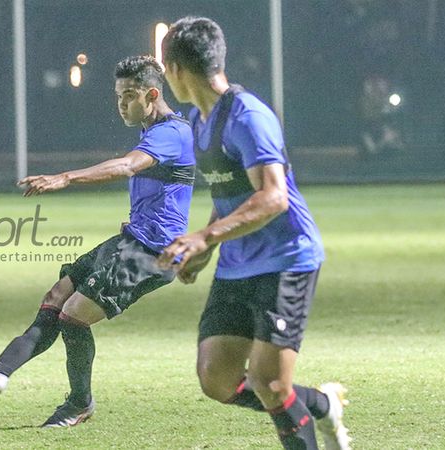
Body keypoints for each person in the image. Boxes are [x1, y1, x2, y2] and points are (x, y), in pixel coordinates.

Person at [0, 55, 195, 427]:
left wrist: (66, 178)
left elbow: (126, 166)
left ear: (152, 94)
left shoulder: (171, 133)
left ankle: (79, 404)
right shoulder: (155, 131)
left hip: (152, 253)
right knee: (57, 297)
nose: (120, 104)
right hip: (131, 240)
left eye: (128, 96)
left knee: (74, 317)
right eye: (117, 95)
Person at [157, 17, 350, 449]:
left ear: (175, 70)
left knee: (270, 383)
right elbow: (229, 193)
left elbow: (273, 197)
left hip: (286, 259)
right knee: (216, 378)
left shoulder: (248, 117)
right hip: (237, 263)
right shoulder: (200, 119)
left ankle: (311, 414)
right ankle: (320, 404)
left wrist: (205, 238)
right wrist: (207, 243)